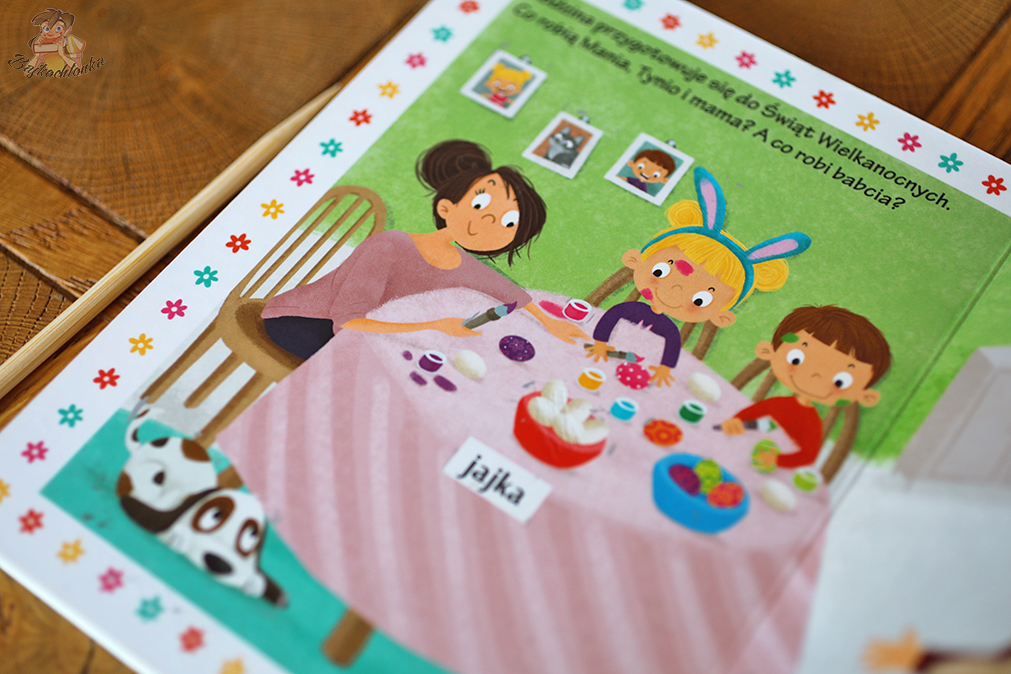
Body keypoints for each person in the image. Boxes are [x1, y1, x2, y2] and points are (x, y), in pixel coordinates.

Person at [261, 140, 588, 360]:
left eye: (508, 222)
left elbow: (508, 292)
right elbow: (347, 322)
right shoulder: (390, 245)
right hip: (305, 321)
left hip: (365, 331)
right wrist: (433, 327)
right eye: (480, 204)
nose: (490, 220)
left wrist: (551, 323)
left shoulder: (461, 263)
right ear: (446, 207)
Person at [587, 167, 811, 387]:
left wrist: (664, 369)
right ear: (634, 260)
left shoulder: (668, 330)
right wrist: (600, 344)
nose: (675, 291)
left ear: (722, 315)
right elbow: (609, 319)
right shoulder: (629, 310)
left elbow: (671, 347)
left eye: (700, 299)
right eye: (660, 271)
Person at [720, 305, 891, 468]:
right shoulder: (780, 405)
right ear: (767, 351)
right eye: (796, 359)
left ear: (866, 396)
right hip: (738, 447)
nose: (816, 376)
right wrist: (737, 420)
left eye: (841, 381)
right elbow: (755, 412)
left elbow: (807, 455)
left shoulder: (810, 422)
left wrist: (777, 460)